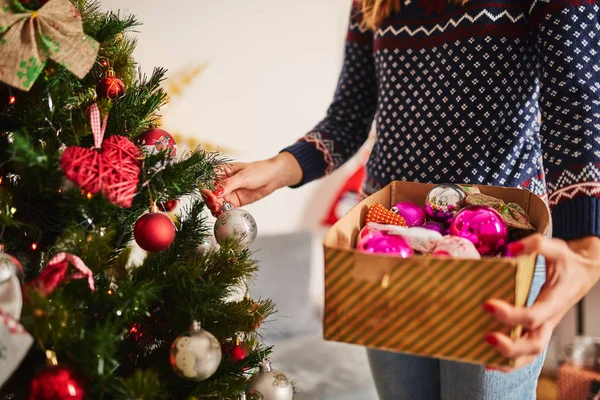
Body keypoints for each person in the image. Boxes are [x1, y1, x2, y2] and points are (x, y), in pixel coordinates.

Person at [203, 0, 600, 398]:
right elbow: (348, 116)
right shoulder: (371, 3)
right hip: (384, 245)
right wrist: (277, 169)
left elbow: (576, 102)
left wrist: (586, 246)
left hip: (494, 254)